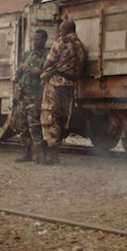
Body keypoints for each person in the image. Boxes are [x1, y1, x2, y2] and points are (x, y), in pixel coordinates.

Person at [38, 20, 87, 164]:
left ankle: (51, 154)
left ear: (65, 30)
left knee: (49, 115)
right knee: (62, 117)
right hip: (70, 85)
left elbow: (47, 63)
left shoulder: (61, 42)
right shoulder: (82, 47)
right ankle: (54, 149)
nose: (60, 33)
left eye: (60, 31)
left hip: (55, 83)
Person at [11, 30, 49, 163]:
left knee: (34, 125)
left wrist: (39, 71)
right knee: (22, 124)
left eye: (38, 39)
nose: (35, 42)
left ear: (44, 40)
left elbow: (49, 71)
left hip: (35, 96)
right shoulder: (27, 54)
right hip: (23, 95)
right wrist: (22, 68)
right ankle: (27, 152)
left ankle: (38, 155)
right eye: (34, 39)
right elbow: (17, 73)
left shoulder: (47, 55)